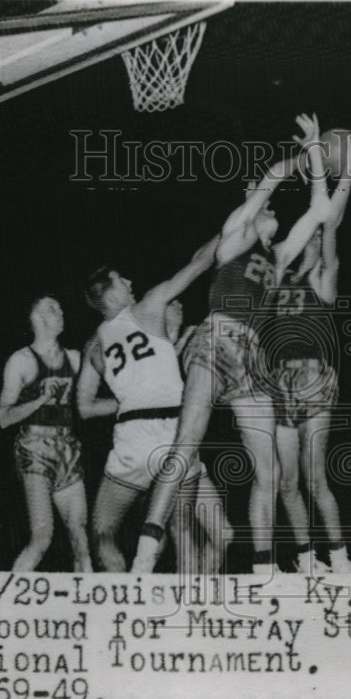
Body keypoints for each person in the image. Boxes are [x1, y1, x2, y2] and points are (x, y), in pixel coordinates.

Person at [131, 114, 335, 575]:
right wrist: (302, 153)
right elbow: (271, 179)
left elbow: (320, 211)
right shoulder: (236, 232)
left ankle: (264, 568)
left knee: (272, 472)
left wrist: (319, 155)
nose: (272, 208)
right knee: (185, 443)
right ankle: (145, 555)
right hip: (216, 338)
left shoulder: (279, 257)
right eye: (263, 203)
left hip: (251, 358)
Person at [76, 239, 230, 573]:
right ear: (111, 295)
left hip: (132, 437)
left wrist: (127, 400)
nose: (130, 282)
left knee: (102, 532)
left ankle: (129, 604)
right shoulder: (148, 306)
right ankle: (191, 612)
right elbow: (201, 260)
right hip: (174, 433)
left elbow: (84, 407)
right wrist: (231, 226)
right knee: (184, 532)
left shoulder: (92, 345)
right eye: (122, 280)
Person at [269, 137, 351, 574]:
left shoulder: (324, 278)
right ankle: (308, 559)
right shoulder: (276, 271)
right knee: (286, 482)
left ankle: (341, 557)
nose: (309, 240)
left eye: (315, 239)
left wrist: (345, 172)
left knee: (314, 477)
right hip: (278, 379)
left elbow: (331, 220)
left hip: (313, 376)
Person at [0, 296, 92, 572]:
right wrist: (39, 401)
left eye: (61, 307)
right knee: (42, 537)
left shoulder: (74, 358)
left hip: (68, 448)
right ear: (36, 318)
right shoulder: (21, 360)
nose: (61, 311)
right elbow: (3, 418)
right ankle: (3, 604)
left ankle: (90, 610)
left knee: (81, 541)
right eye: (52, 308)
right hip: (35, 447)